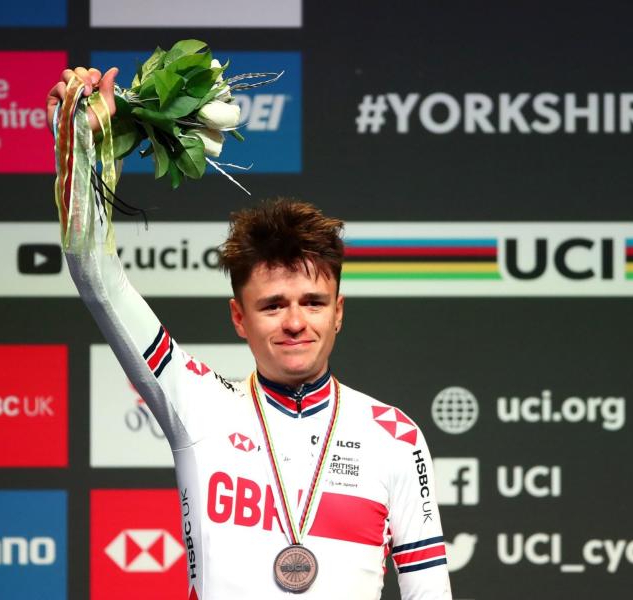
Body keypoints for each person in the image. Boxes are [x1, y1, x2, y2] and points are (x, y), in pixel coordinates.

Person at [47, 67, 453, 599]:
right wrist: (83, 149)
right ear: (239, 318)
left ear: (339, 312)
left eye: (312, 303)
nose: (293, 321)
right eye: (273, 305)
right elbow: (98, 278)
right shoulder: (196, 402)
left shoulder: (395, 436)